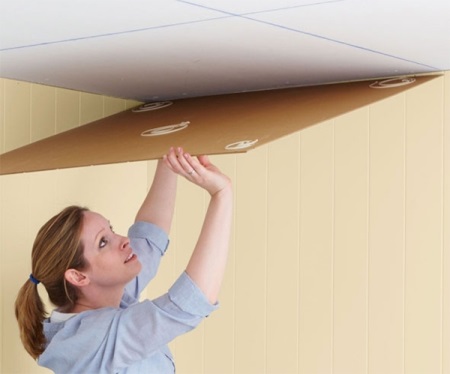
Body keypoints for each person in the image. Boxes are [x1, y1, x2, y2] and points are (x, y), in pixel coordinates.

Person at [14, 146, 233, 373]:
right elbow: (189, 303)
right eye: (103, 242)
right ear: (78, 276)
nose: (124, 241)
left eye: (111, 230)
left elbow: (149, 240)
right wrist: (222, 194)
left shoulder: (108, 299)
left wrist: (172, 155)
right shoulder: (92, 339)